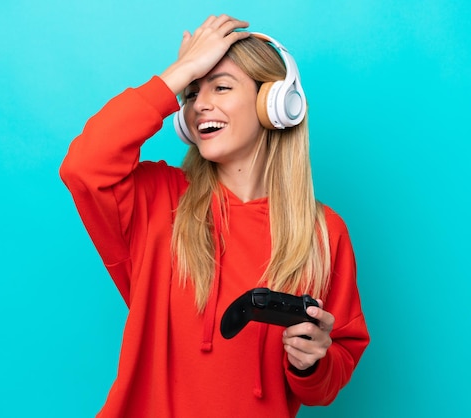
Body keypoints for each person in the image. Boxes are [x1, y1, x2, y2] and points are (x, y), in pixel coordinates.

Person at [60, 14, 369, 418]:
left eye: (221, 87)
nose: (200, 104)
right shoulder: (158, 201)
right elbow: (84, 165)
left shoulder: (323, 233)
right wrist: (178, 74)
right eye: (191, 94)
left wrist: (309, 362)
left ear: (274, 104)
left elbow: (329, 378)